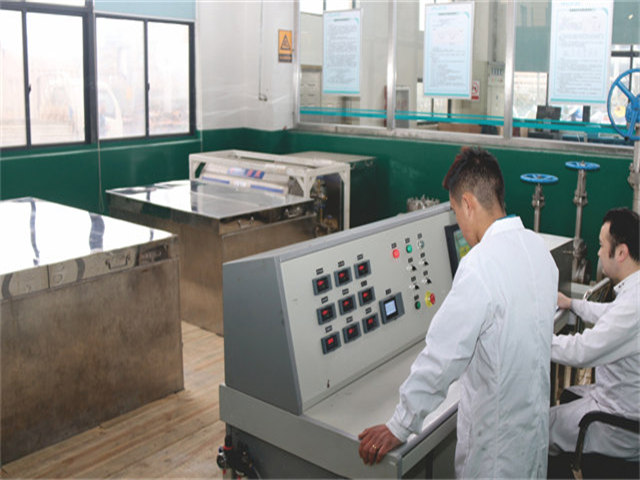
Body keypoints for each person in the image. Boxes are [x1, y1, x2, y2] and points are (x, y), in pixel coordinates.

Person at [358, 146, 559, 478]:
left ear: (467, 203)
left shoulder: (479, 265)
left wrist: (400, 424)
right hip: (531, 446)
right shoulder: (538, 250)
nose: (459, 223)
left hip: (495, 458)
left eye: (454, 211)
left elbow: (442, 357)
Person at [549, 208, 640, 460]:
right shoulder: (634, 293)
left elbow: (581, 351)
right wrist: (572, 303)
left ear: (621, 253)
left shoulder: (633, 306)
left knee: (538, 427)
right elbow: (611, 314)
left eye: (601, 245)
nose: (598, 253)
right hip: (622, 405)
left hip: (618, 425)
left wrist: (533, 339)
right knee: (563, 404)